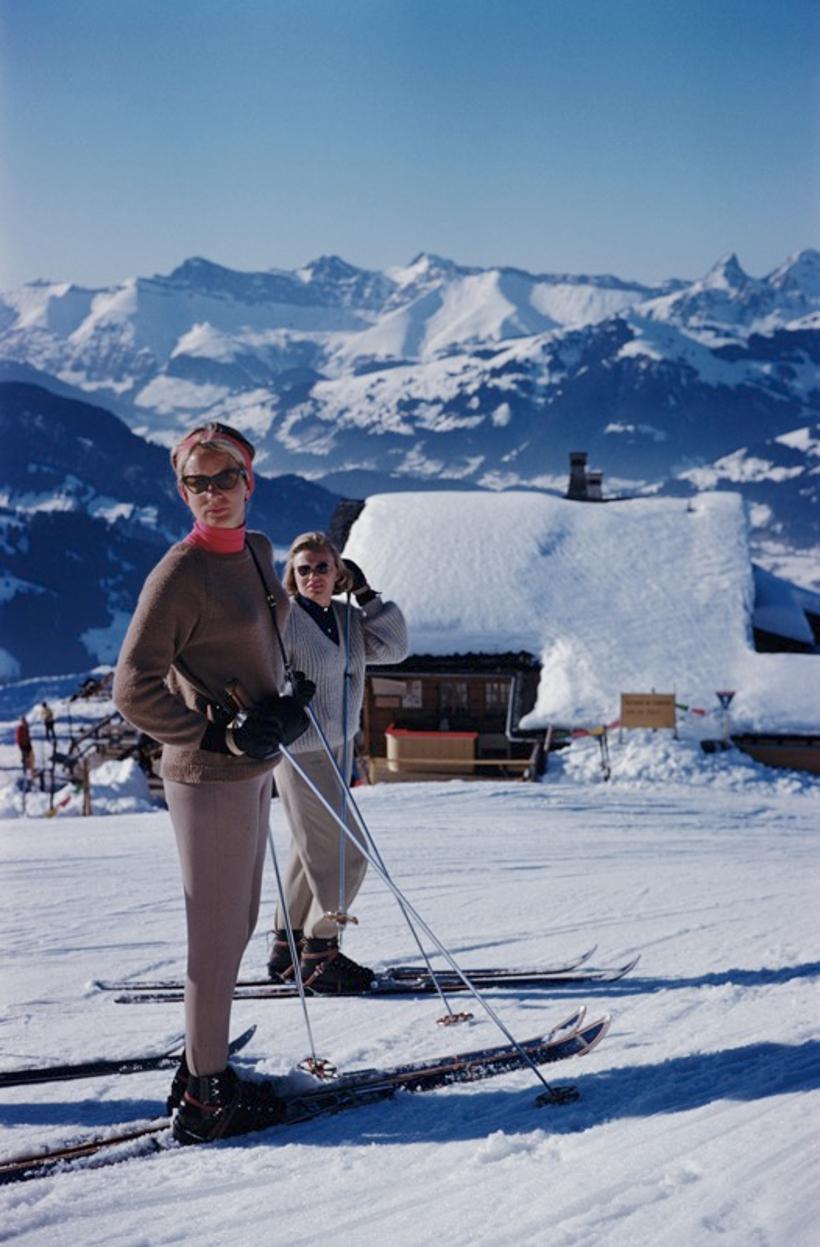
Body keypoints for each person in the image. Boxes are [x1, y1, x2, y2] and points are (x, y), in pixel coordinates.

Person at [113, 421, 314, 1145]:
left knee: (238, 921)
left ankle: (205, 1063)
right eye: (196, 483)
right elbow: (131, 687)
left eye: (223, 479)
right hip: (206, 773)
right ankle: (207, 1096)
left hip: (252, 766)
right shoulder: (179, 572)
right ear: (181, 489)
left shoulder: (260, 554)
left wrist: (283, 698)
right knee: (215, 929)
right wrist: (212, 733)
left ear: (248, 480)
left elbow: (260, 640)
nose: (211, 496)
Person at [267, 531, 408, 992]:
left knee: (309, 853)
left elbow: (393, 649)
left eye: (322, 567)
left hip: (338, 747)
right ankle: (320, 951)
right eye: (303, 569)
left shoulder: (346, 619)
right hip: (301, 749)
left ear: (338, 571)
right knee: (348, 855)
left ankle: (288, 950)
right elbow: (256, 669)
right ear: (292, 575)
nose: (313, 577)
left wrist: (368, 598)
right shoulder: (283, 620)